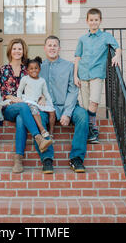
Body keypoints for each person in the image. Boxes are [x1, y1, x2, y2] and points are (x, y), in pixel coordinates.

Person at [0, 38, 52, 173]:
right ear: (10, 50)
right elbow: (3, 93)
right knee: (23, 107)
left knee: (22, 118)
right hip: (10, 106)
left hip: (27, 106)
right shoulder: (3, 69)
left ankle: (18, 159)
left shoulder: (27, 69)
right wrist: (15, 99)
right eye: (14, 48)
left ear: (24, 51)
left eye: (20, 49)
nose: (17, 51)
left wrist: (43, 96)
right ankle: (38, 137)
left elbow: (38, 86)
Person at [38, 35, 89, 174]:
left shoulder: (69, 66)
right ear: (45, 48)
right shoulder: (38, 68)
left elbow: (73, 91)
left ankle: (76, 158)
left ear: (59, 48)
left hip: (67, 106)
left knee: (83, 116)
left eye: (55, 45)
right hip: (47, 108)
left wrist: (67, 113)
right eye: (49, 45)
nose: (52, 48)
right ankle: (47, 158)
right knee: (37, 119)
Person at [74, 8, 121, 144]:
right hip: (83, 74)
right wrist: (75, 76)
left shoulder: (106, 36)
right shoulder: (82, 39)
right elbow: (77, 57)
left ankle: (92, 129)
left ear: (100, 21)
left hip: (97, 74)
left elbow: (117, 47)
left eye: (96, 20)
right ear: (87, 21)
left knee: (94, 102)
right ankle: (91, 131)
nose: (93, 22)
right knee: (85, 104)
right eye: (91, 20)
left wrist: (117, 55)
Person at [17, 56, 56, 141]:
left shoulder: (42, 80)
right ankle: (42, 130)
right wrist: (19, 100)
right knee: (34, 109)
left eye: (36, 68)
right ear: (27, 70)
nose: (34, 70)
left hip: (38, 101)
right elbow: (19, 91)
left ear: (40, 69)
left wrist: (50, 103)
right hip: (29, 101)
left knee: (52, 112)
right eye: (31, 68)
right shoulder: (25, 79)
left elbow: (46, 93)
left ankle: (51, 133)